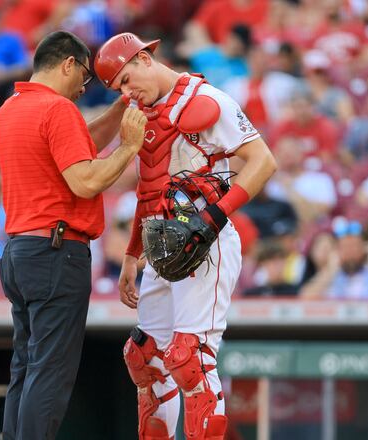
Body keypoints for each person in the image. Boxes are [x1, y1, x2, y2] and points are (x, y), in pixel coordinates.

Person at [95, 32, 277, 440]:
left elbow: (263, 161)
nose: (126, 92)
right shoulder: (141, 110)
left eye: (125, 79)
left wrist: (214, 216)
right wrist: (130, 254)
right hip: (163, 243)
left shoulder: (205, 98)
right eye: (118, 87)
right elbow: (150, 185)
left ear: (144, 58)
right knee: (144, 358)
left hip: (206, 242)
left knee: (189, 357)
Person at [0, 31, 146, 440]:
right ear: (67, 64)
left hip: (20, 253)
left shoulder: (11, 108)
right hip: (56, 253)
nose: (84, 85)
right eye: (84, 75)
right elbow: (84, 180)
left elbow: (75, 145)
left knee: (26, 368)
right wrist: (129, 147)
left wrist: (118, 110)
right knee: (50, 374)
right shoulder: (57, 109)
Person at [300, 219, 368, 300]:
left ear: (364, 248)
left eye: (354, 246)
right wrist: (330, 270)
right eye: (345, 247)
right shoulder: (330, 273)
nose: (350, 251)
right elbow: (305, 298)